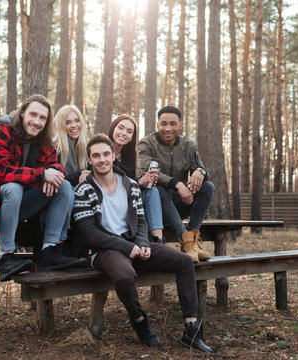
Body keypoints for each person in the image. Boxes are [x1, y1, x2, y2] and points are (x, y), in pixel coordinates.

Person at [73, 134, 212, 353]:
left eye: (106, 154)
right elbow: (91, 234)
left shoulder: (129, 184)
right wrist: (129, 248)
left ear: (113, 156)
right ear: (89, 160)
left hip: (134, 243)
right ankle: (139, 321)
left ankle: (191, 330)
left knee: (185, 261)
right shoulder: (83, 191)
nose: (102, 160)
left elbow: (140, 219)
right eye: (96, 156)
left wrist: (142, 243)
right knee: (126, 275)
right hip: (105, 250)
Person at [0, 94, 82, 282]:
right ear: (22, 113)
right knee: (13, 187)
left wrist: (52, 172)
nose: (37, 122)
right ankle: (6, 256)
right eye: (33, 115)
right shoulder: (0, 131)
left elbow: (55, 165)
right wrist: (42, 175)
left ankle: (49, 250)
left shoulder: (42, 138)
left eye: (42, 118)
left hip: (19, 206)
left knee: (64, 186)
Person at [138, 105, 214, 263]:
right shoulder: (146, 143)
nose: (168, 128)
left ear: (180, 125)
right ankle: (185, 239)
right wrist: (178, 184)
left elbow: (202, 171)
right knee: (158, 188)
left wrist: (200, 171)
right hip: (156, 206)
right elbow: (149, 172)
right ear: (157, 125)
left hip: (179, 205)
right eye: (163, 124)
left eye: (173, 124)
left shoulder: (189, 145)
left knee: (208, 187)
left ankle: (193, 236)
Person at [108, 114, 164, 243]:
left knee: (152, 191)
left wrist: (144, 181)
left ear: (131, 137)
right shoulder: (103, 149)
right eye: (120, 128)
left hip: (127, 199)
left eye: (129, 131)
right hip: (108, 200)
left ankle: (158, 240)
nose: (124, 133)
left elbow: (129, 180)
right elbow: (110, 181)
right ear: (113, 128)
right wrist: (138, 182)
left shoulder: (130, 155)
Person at [52, 105, 90, 187]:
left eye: (77, 120)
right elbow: (60, 182)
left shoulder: (84, 147)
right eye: (67, 122)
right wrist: (80, 174)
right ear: (60, 125)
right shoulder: (55, 148)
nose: (74, 125)